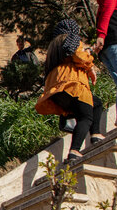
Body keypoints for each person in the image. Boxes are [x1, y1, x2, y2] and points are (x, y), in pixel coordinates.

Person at [36, 19, 106, 166]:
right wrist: (90, 64)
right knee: (85, 117)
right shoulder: (71, 38)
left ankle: (95, 135)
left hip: (57, 88)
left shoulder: (54, 46)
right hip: (73, 83)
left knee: (97, 103)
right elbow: (78, 55)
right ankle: (74, 151)